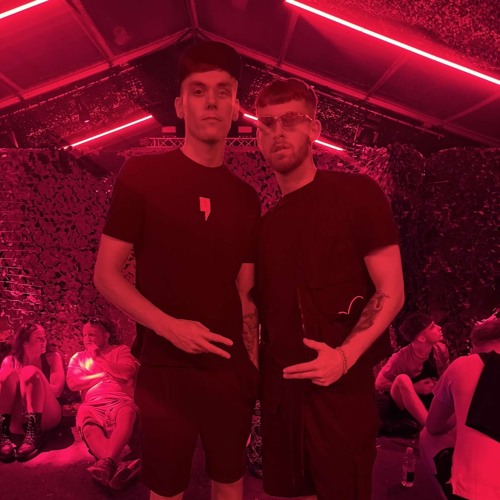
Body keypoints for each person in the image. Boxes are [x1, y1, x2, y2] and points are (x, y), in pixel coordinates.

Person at [93, 41, 260, 500]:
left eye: (223, 91)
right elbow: (106, 274)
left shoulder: (246, 198)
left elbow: (245, 292)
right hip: (165, 369)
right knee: (166, 491)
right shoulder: (142, 176)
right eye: (199, 90)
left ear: (236, 106)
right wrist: (170, 327)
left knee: (230, 483)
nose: (212, 102)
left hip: (229, 369)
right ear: (180, 105)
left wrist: (252, 369)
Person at [255, 77, 405, 500]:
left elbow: (391, 289)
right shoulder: (266, 227)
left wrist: (343, 358)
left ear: (314, 129)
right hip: (282, 397)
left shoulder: (356, 195)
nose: (278, 131)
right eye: (266, 124)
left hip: (341, 393)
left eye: (290, 119)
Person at [422, 313, 500, 500]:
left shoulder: (463, 365)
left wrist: (460, 415)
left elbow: (433, 425)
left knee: (426, 435)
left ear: (474, 345)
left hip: (475, 492)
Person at [66, 318, 140, 489]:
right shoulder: (78, 357)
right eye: (85, 335)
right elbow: (73, 383)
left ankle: (106, 465)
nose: (87, 338)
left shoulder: (121, 350)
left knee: (127, 414)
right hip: (92, 404)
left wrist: (98, 358)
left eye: (92, 334)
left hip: (119, 399)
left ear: (106, 335)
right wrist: (104, 375)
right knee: (89, 426)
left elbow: (126, 372)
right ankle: (116, 464)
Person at [0, 323, 64, 462]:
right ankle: (3, 434)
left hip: (46, 417)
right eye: (38, 338)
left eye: (44, 337)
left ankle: (34, 434)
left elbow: (57, 391)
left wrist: (33, 383)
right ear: (24, 342)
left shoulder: (52, 358)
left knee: (29, 372)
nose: (44, 341)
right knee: (6, 374)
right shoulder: (9, 361)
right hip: (17, 421)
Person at [375, 312, 449, 427]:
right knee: (402, 379)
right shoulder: (400, 358)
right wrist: (415, 388)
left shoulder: (440, 349)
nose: (439, 328)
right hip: (402, 406)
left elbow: (446, 377)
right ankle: (429, 427)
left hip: (428, 401)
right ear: (422, 338)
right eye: (432, 327)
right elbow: (379, 383)